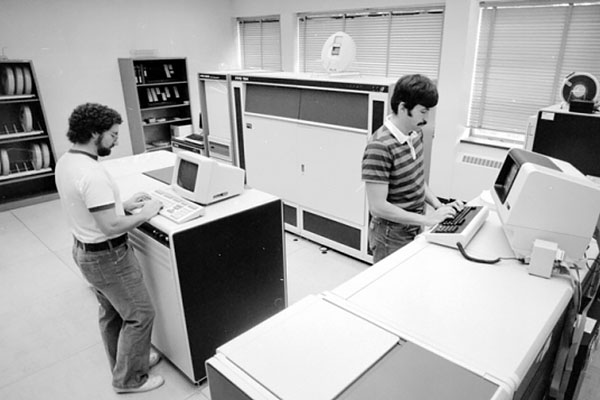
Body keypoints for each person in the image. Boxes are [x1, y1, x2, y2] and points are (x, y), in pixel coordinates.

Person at [55, 103, 165, 393]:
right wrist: (147, 211)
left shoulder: (67, 161)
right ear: (94, 133)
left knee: (112, 312)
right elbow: (111, 227)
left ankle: (129, 362)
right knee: (140, 314)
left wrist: (123, 206)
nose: (117, 140)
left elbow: (87, 207)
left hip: (85, 252)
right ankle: (128, 380)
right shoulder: (92, 173)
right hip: (109, 257)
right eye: (113, 135)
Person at [362, 74, 463, 263]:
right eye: (423, 112)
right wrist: (427, 220)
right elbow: (378, 207)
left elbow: (417, 181)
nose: (427, 118)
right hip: (390, 235)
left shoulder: (415, 134)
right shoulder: (380, 146)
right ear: (402, 108)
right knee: (391, 289)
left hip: (414, 225)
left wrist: (440, 207)